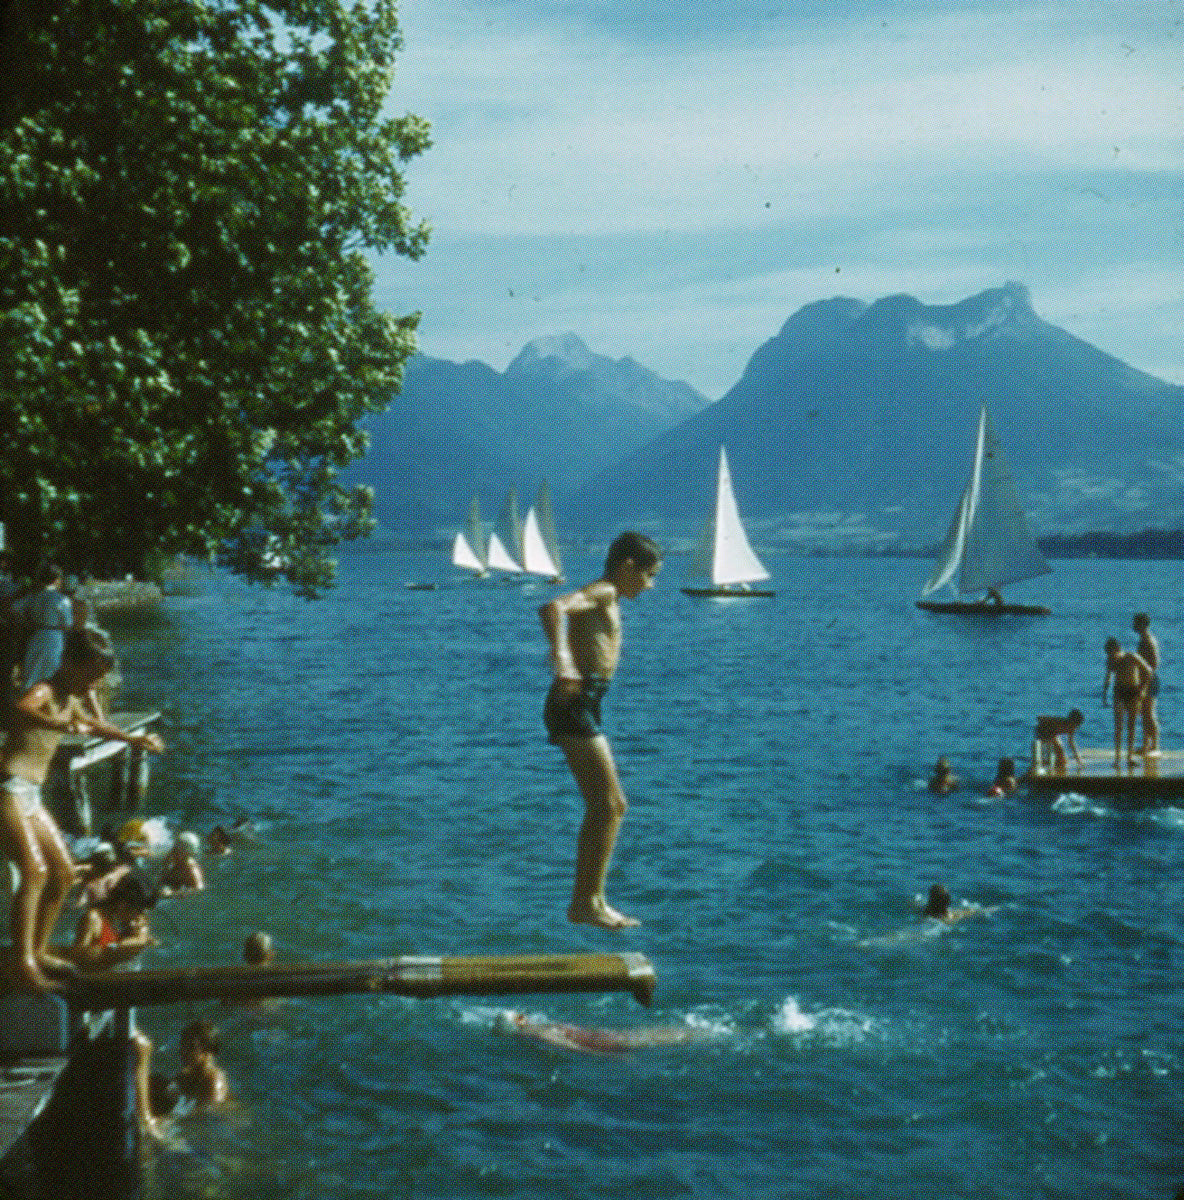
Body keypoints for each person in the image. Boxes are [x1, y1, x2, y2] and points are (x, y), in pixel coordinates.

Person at [1, 627, 163, 989]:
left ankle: (39, 951)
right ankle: (23, 964)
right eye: (91, 675)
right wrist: (56, 721)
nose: (94, 685)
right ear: (69, 663)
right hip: (7, 788)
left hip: (30, 794)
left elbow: (96, 725)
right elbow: (19, 708)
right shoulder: (45, 690)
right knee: (34, 871)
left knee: (61, 870)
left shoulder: (72, 700)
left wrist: (134, 738)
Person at [538, 531, 662, 929]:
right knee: (610, 805)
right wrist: (562, 658)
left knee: (609, 805)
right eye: (648, 575)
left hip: (586, 701)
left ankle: (590, 901)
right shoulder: (605, 591)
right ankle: (587, 903)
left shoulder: (611, 595)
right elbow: (553, 606)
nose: (650, 584)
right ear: (627, 566)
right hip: (574, 701)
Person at [494, 1009, 714, 1054]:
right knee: (670, 1034)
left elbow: (573, 1047)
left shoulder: (534, 1033)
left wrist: (607, 1057)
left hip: (609, 1043)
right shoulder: (536, 1024)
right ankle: (716, 1033)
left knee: (670, 1038)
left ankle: (717, 1036)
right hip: (606, 1035)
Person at [71, 870, 159, 972]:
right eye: (138, 910)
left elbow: (145, 940)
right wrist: (117, 948)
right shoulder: (94, 919)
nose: (140, 915)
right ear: (123, 904)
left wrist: (143, 939)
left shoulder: (138, 919)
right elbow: (77, 959)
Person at [1102, 638, 1154, 766]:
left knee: (1131, 725)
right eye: (1108, 654)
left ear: (1118, 649)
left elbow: (1148, 671)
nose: (1111, 656)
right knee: (1118, 726)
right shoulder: (1110, 661)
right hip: (1119, 692)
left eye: (1112, 653)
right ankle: (1117, 758)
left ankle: (1130, 757)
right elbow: (1108, 677)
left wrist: (1142, 689)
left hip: (1133, 691)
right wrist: (1104, 695)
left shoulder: (1131, 657)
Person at [173, 1018, 229, 1107]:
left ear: (208, 1051)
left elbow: (209, 1116)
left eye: (191, 1047)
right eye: (182, 1045)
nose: (183, 1051)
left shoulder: (213, 1080)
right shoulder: (184, 1077)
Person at [1133, 612, 1161, 756]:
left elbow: (1154, 663)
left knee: (1149, 713)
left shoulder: (1149, 640)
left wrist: (1145, 682)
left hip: (1149, 680)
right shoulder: (1143, 639)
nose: (1133, 625)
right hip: (1143, 679)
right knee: (1144, 713)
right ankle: (1146, 744)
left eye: (1135, 623)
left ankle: (1155, 745)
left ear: (1142, 624)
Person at [157, 830, 204, 894]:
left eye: (178, 850)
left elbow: (199, 889)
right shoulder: (173, 856)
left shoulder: (192, 869)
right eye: (175, 848)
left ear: (187, 853)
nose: (174, 852)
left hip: (180, 890)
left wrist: (173, 893)